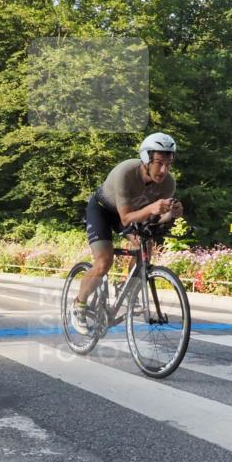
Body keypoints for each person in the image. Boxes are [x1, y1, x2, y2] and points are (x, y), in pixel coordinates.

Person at [72, 133, 183, 333]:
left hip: (134, 214)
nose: (164, 170)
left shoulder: (168, 184)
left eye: (169, 164)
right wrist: (152, 208)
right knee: (104, 262)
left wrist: (172, 214)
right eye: (159, 163)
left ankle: (126, 288)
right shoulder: (126, 172)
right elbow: (125, 219)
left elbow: (155, 219)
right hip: (103, 210)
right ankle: (79, 305)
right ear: (146, 159)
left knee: (146, 247)